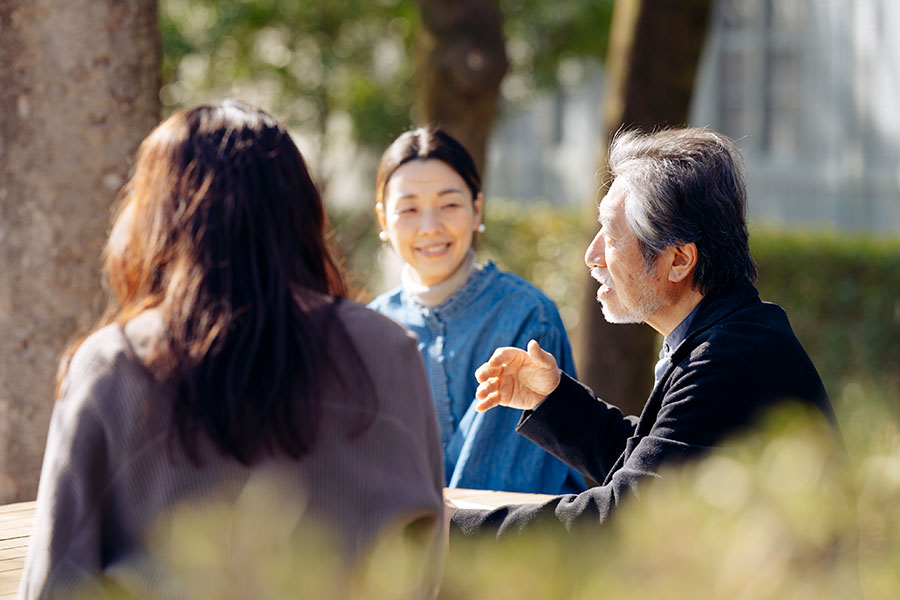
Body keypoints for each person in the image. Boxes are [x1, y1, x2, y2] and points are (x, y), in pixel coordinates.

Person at [20, 102, 445, 598]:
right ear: (301, 210)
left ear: (158, 216)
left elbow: (55, 582)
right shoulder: (387, 351)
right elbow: (426, 562)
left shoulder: (115, 363)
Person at [450, 127, 839, 537]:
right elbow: (654, 468)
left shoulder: (729, 357)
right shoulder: (729, 334)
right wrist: (553, 399)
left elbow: (622, 518)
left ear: (678, 260)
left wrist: (446, 528)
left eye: (613, 236)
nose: (592, 255)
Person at [369, 126, 584, 494]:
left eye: (449, 204)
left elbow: (507, 486)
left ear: (476, 209)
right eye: (408, 209)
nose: (430, 227)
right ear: (384, 221)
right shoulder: (371, 331)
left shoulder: (527, 316)